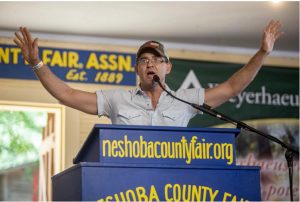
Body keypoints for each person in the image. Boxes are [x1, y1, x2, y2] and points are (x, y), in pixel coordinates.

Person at [13, 20, 283, 126]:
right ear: (137, 69)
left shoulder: (186, 100)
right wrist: (37, 63)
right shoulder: (116, 99)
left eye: (157, 59)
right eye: (143, 60)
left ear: (168, 67)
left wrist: (263, 54)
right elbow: (66, 94)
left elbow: (232, 88)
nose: (150, 64)